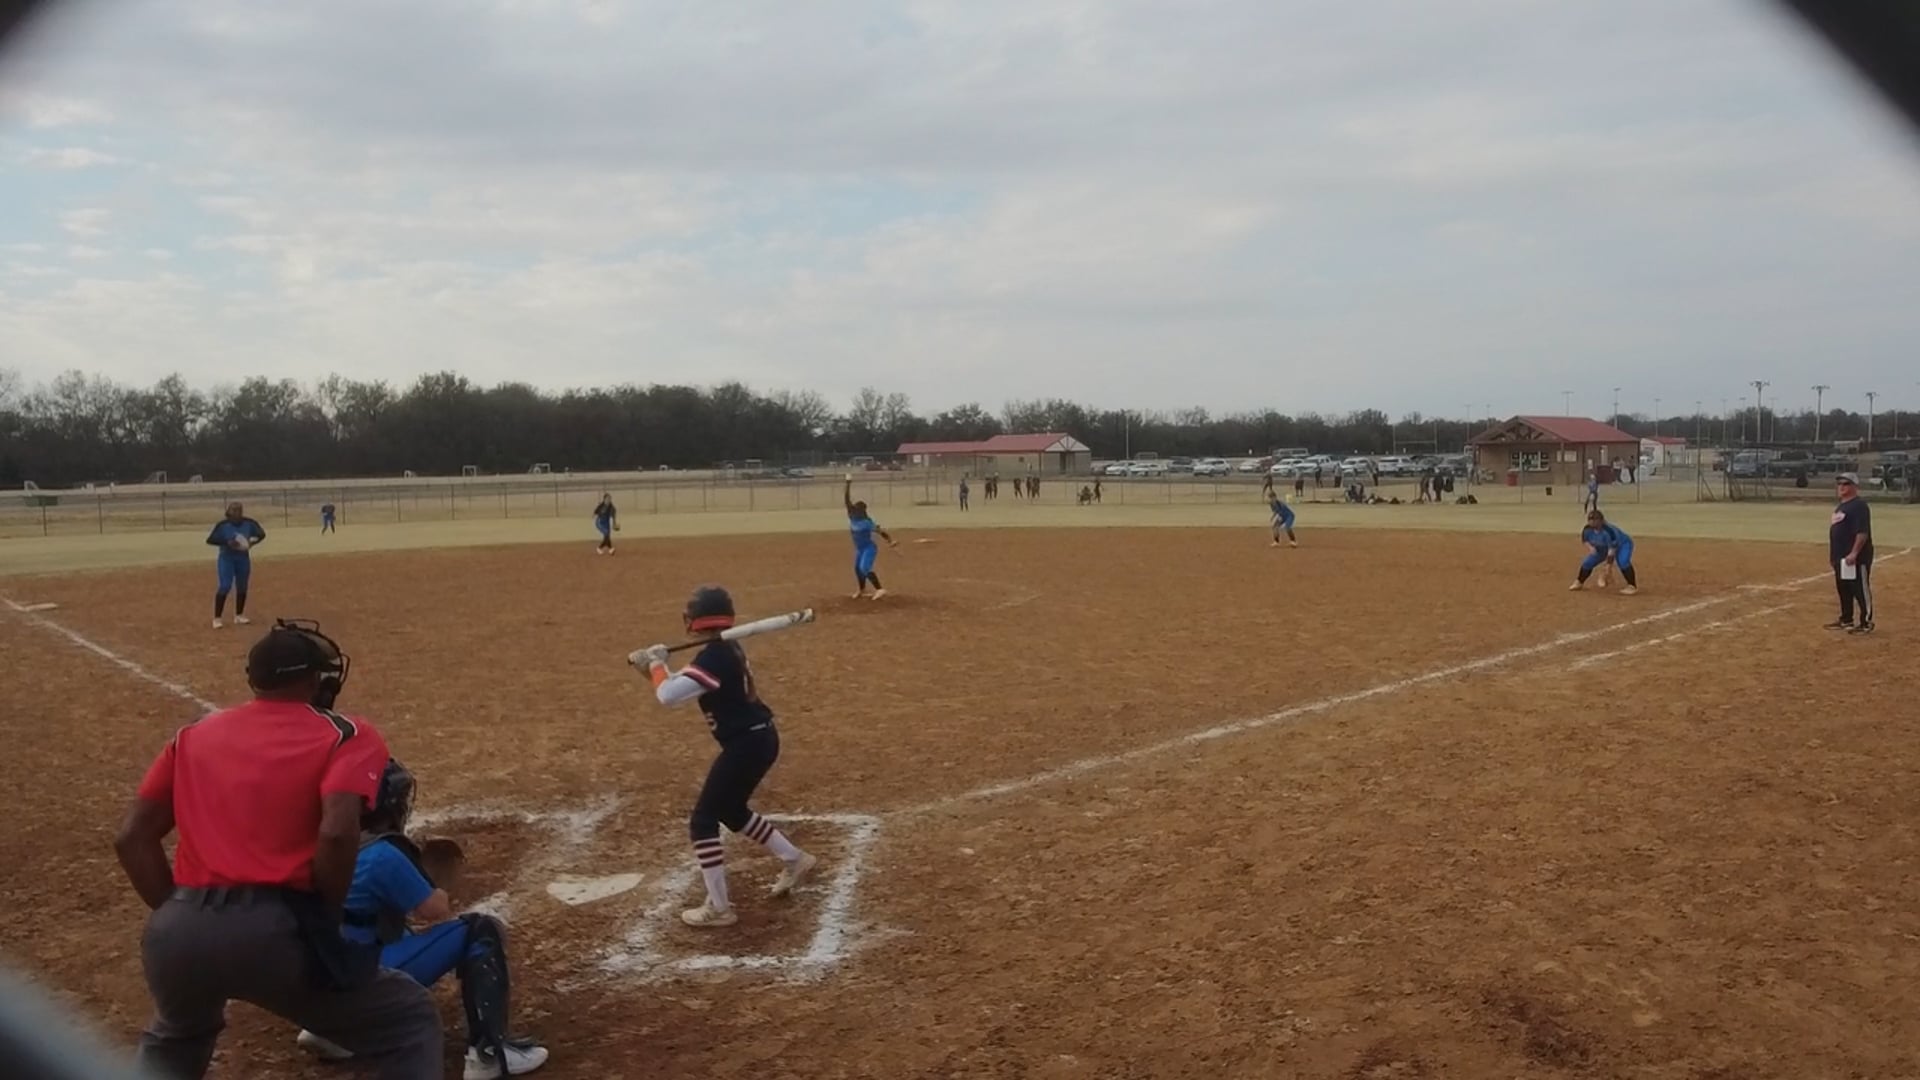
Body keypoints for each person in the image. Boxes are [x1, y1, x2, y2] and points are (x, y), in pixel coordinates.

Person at [114, 620, 442, 1079]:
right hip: (273, 927)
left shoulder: (193, 735)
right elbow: (336, 833)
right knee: (407, 1019)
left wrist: (178, 911)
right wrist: (324, 918)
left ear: (256, 681)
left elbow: (132, 838)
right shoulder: (345, 733)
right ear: (313, 680)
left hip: (177, 932)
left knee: (177, 1038)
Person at [296, 760, 549, 1077]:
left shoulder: (314, 842)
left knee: (376, 926)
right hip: (356, 984)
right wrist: (432, 881)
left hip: (305, 984)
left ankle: (329, 1032)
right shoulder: (384, 855)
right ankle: (488, 1054)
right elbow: (434, 909)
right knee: (481, 930)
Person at [631, 587, 818, 928]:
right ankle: (794, 859)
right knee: (731, 810)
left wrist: (656, 663)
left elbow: (668, 696)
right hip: (757, 739)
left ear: (695, 621)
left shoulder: (714, 658)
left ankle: (719, 908)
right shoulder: (722, 651)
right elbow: (677, 687)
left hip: (748, 745)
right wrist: (652, 669)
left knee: (703, 820)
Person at [206, 501, 266, 629]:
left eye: (239, 510)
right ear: (229, 511)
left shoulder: (249, 523)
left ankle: (239, 615)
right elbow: (210, 540)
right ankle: (217, 618)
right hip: (226, 558)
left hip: (243, 558)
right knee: (225, 586)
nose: (237, 512)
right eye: (234, 510)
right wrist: (227, 542)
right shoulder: (223, 525)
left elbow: (261, 534)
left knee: (242, 586)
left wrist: (252, 542)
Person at [1828, 472, 1874, 633]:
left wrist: (1854, 553)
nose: (1841, 487)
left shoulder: (1859, 506)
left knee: (1859, 588)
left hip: (1856, 556)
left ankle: (1866, 622)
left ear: (1855, 486)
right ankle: (1846, 619)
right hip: (1840, 556)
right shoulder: (1842, 506)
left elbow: (1862, 532)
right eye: (1839, 484)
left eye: (1846, 484)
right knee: (1844, 588)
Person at [844, 478, 898, 600]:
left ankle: (880, 589)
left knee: (864, 568)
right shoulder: (852, 515)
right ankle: (862, 589)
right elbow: (846, 499)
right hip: (860, 549)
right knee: (857, 569)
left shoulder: (867, 522)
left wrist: (890, 541)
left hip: (869, 548)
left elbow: (880, 532)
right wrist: (848, 483)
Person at [1569, 510, 1638, 595]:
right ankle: (1579, 582)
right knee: (1588, 562)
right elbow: (1585, 540)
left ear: (1602, 521)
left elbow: (1612, 550)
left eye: (1596, 520)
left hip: (1622, 545)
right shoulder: (1587, 529)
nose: (1593, 522)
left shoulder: (1609, 531)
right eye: (1591, 520)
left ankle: (1632, 586)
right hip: (1603, 547)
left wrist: (1608, 567)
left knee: (1623, 561)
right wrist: (1591, 548)